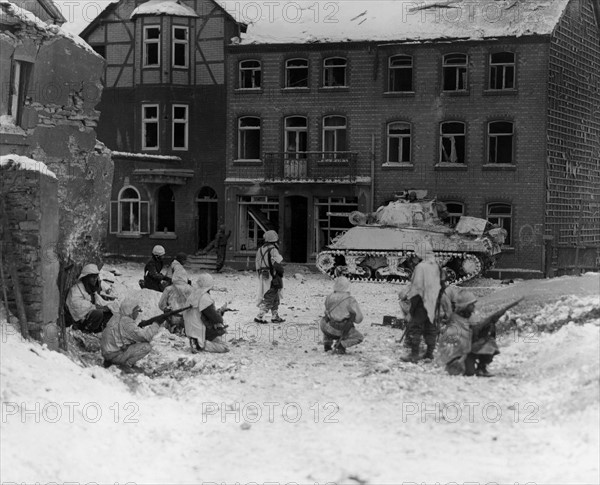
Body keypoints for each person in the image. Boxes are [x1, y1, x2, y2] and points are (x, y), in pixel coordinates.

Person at [436, 291, 499, 377]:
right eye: (471, 305)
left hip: (468, 350)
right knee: (468, 372)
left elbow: (475, 332)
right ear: (465, 306)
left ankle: (482, 367)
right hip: (458, 355)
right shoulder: (455, 322)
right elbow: (453, 344)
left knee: (489, 340)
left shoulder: (470, 317)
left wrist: (488, 326)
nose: (474, 307)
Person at [401, 240, 443, 363]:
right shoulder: (435, 265)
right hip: (434, 300)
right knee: (431, 327)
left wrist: (412, 306)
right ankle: (429, 354)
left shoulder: (421, 267)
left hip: (421, 300)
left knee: (415, 327)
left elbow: (417, 287)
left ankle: (414, 354)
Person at [100, 297, 161, 372]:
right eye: (137, 311)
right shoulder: (126, 322)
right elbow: (146, 337)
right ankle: (126, 365)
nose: (138, 314)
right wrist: (156, 324)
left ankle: (115, 362)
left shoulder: (116, 317)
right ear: (131, 311)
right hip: (114, 355)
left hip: (107, 354)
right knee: (146, 346)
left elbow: (124, 335)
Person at [183, 273, 229, 353]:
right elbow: (215, 318)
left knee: (217, 337)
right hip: (199, 329)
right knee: (224, 347)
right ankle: (201, 345)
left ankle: (197, 342)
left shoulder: (193, 295)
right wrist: (220, 315)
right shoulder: (204, 297)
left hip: (190, 329)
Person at [320, 276, 364, 355]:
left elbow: (326, 311)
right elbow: (359, 319)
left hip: (325, 327)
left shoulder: (329, 296)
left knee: (329, 319)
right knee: (359, 337)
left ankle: (327, 344)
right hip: (338, 330)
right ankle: (341, 345)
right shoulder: (350, 299)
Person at [66, 264, 114, 333]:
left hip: (87, 314)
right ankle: (86, 330)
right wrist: (98, 308)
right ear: (86, 277)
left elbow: (96, 299)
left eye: (96, 277)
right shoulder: (76, 290)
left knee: (110, 313)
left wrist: (108, 306)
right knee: (98, 313)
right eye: (92, 277)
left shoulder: (89, 287)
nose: (95, 279)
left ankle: (99, 330)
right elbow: (79, 308)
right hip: (78, 319)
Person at [254, 230, 285, 324]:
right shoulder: (273, 250)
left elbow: (257, 263)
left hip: (263, 274)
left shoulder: (260, 249)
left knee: (273, 295)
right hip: (273, 275)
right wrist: (281, 272)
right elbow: (278, 262)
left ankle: (275, 316)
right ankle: (260, 316)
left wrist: (259, 275)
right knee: (270, 295)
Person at [158, 270, 192, 334]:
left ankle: (173, 328)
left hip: (172, 319)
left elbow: (161, 305)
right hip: (187, 320)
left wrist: (166, 308)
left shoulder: (168, 289)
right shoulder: (191, 289)